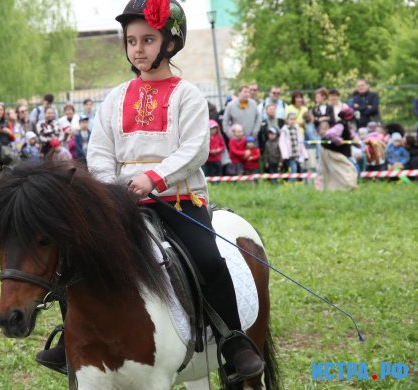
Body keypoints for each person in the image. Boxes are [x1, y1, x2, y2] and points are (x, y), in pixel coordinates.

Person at [36, 0, 265, 381]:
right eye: (131, 41)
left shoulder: (187, 95)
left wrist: (153, 179)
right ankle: (72, 341)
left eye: (147, 39)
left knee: (207, 258)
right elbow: (100, 150)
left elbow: (194, 149)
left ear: (170, 43)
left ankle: (233, 341)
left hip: (177, 200)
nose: (137, 49)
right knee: (78, 259)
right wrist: (110, 191)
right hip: (122, 204)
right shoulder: (115, 98)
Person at [316, 107, 358, 191]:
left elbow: (353, 136)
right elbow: (329, 134)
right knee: (345, 168)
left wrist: (358, 142)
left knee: (346, 169)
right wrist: (338, 140)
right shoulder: (340, 125)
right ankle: (350, 186)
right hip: (331, 151)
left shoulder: (347, 127)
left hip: (337, 152)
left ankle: (345, 187)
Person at [279, 112, 308, 180]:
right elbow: (282, 143)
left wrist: (305, 154)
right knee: (293, 170)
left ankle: (303, 185)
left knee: (302, 170)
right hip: (290, 155)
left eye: (294, 119)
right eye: (291, 119)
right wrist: (285, 155)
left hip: (298, 154)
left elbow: (301, 143)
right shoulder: (284, 130)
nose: (292, 121)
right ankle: (292, 185)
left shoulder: (297, 129)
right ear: (287, 120)